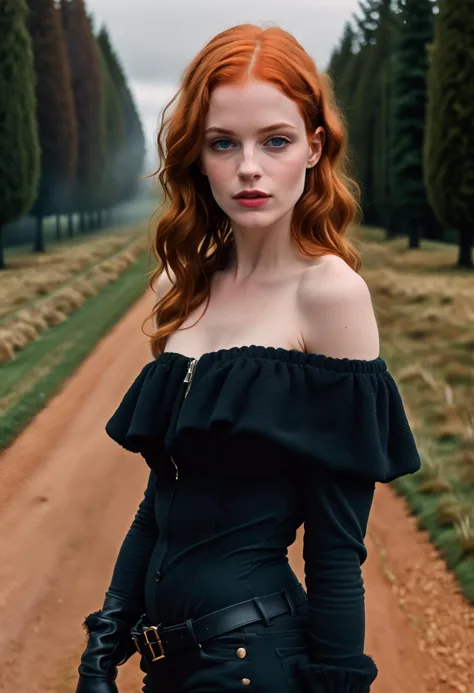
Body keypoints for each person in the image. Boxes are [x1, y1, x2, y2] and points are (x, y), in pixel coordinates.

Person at [75, 23, 421, 693]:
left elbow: (336, 551)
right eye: (223, 143)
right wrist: (105, 643)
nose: (249, 168)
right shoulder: (185, 285)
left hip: (249, 666)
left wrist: (338, 682)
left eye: (276, 141)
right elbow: (160, 501)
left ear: (314, 148)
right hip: (164, 667)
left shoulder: (330, 295)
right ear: (197, 157)